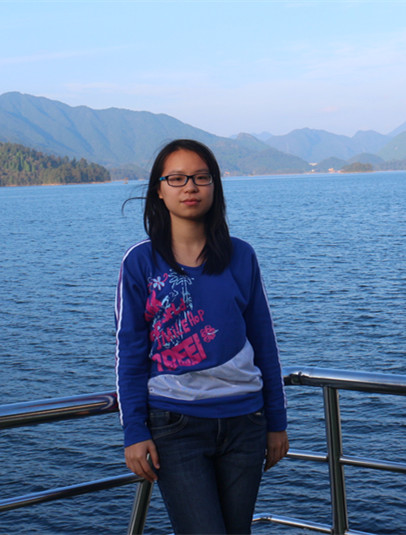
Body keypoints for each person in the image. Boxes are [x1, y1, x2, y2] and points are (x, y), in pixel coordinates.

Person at [115, 139, 289, 535]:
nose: (190, 187)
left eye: (200, 177)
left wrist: (276, 421)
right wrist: (135, 431)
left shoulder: (241, 256)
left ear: (215, 186)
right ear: (159, 190)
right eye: (176, 178)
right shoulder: (141, 262)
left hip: (247, 421)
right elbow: (130, 353)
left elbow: (265, 342)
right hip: (176, 425)